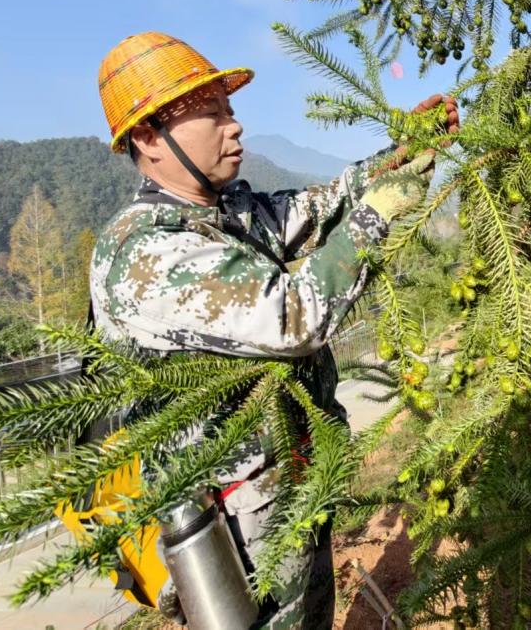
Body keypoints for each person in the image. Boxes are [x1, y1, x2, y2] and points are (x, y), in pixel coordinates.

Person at [89, 31, 458, 629]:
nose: (234, 126)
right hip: (235, 529)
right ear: (149, 138)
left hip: (291, 485)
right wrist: (379, 214)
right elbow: (293, 316)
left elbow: (324, 204)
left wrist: (402, 153)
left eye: (230, 110)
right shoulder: (146, 251)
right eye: (212, 114)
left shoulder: (229, 214)